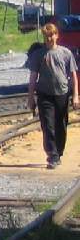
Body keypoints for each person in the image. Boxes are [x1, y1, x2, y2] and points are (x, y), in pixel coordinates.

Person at [27, 23, 80, 169]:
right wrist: (31, 98)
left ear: (57, 35)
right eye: (46, 36)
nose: (49, 38)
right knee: (48, 126)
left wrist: (75, 95)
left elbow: (73, 76)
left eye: (51, 35)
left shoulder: (66, 53)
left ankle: (59, 152)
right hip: (44, 94)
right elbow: (33, 77)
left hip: (62, 94)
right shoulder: (38, 55)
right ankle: (52, 155)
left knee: (61, 125)